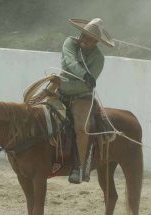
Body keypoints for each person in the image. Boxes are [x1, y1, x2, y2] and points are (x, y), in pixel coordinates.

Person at [58, 18, 115, 184]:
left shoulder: (98, 59)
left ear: (96, 41)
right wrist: (84, 75)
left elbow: (85, 87)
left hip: (81, 96)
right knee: (34, 111)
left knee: (81, 128)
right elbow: (70, 62)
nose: (83, 40)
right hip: (60, 89)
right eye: (83, 35)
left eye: (88, 38)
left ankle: (80, 167)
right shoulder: (70, 42)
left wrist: (76, 83)